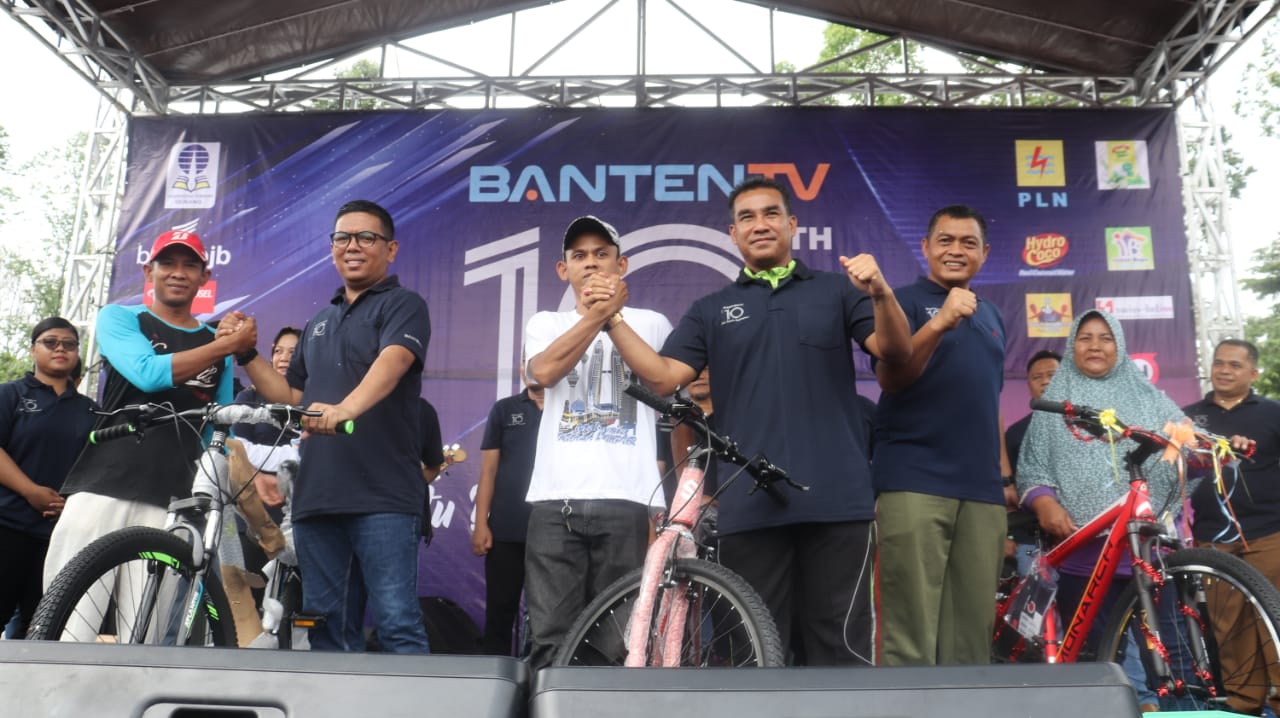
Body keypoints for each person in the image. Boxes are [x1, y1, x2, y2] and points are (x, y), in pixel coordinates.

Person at [606, 176, 912, 665]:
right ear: (733, 233)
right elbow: (663, 378)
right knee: (751, 655)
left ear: (792, 225)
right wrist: (612, 320)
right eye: (746, 217)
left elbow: (895, 350)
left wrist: (880, 292)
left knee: (842, 652)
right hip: (749, 505)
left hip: (837, 501)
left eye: (771, 213)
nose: (760, 224)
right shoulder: (709, 310)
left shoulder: (837, 290)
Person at [234, 199, 433, 654]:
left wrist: (345, 409)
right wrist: (246, 353)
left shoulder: (404, 305)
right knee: (326, 631)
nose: (352, 246)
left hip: (384, 496)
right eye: (342, 237)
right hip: (317, 499)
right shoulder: (320, 321)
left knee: (397, 625)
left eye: (366, 237)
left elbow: (395, 360)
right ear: (332, 249)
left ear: (391, 249)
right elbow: (291, 395)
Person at [44, 230, 255, 588]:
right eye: (167, 263)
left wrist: (225, 486)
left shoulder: (215, 343)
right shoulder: (120, 317)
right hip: (104, 483)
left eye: (190, 266)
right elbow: (148, 374)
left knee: (147, 620)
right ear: (148, 271)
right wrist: (227, 345)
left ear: (204, 277)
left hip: (173, 499)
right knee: (69, 610)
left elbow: (217, 426)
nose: (178, 273)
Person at [1017, 309, 1203, 710]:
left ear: (1120, 346)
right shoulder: (1054, 405)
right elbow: (1032, 469)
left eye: (1106, 338)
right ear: (1072, 345)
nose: (1095, 346)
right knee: (1097, 662)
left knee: (1174, 658)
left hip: (1150, 555)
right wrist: (1044, 502)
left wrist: (1211, 450)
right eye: (1085, 338)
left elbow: (1190, 443)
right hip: (1085, 559)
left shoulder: (1150, 398)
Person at [521, 215, 672, 669]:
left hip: (627, 497)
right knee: (550, 637)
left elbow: (665, 385)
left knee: (615, 641)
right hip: (555, 499)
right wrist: (598, 314)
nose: (590, 263)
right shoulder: (545, 322)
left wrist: (612, 316)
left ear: (621, 266)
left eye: (602, 254)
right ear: (562, 270)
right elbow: (544, 373)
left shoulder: (652, 322)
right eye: (579, 256)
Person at [873, 205, 1007, 666]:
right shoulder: (902, 302)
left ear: (985, 253)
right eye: (945, 240)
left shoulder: (992, 314)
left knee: (971, 641)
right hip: (914, 480)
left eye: (968, 243)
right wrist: (941, 322)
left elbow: (989, 402)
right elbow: (891, 379)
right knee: (908, 636)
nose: (956, 250)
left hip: (982, 491)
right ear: (926, 247)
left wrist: (1004, 480)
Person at [1184, 339, 1280, 716]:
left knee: (1273, 617)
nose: (1224, 370)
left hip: (1269, 534)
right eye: (1219, 363)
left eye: (1235, 365)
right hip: (1212, 539)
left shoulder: (1273, 413)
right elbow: (1175, 470)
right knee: (1228, 623)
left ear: (1253, 373)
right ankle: (1243, 705)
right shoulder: (1188, 417)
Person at [0, 318, 96, 638]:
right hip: (7, 524)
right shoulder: (10, 394)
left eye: (69, 344)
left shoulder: (91, 410)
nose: (60, 349)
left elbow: (96, 466)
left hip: (61, 534)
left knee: (41, 628)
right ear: (33, 349)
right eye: (50, 342)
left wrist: (71, 504)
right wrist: (31, 491)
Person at [471, 368, 543, 655]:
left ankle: (543, 676)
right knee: (500, 613)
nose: (531, 367)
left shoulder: (569, 409)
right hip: (505, 530)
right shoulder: (504, 409)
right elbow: (488, 471)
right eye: (526, 360)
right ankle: (495, 676)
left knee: (548, 617)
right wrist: (481, 524)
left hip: (556, 532)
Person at [1003, 350, 1061, 576]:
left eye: (1052, 375)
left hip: (1081, 533)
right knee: (1036, 589)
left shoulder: (1085, 428)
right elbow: (1006, 491)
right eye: (1037, 377)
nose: (1045, 381)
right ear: (1028, 386)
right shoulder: (1015, 433)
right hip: (1030, 541)